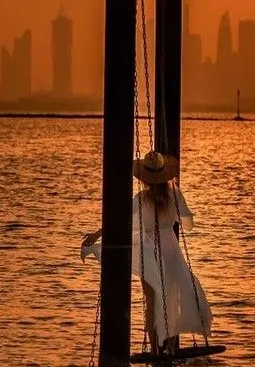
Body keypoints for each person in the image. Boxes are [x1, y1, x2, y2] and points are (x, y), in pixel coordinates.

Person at [81, 150, 213, 355]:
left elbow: (121, 221)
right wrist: (178, 215)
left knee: (151, 300)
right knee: (172, 296)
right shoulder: (175, 194)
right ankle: (170, 346)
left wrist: (97, 235)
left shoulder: (141, 199)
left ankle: (154, 350)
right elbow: (188, 226)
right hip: (171, 250)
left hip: (149, 249)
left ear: (144, 179)